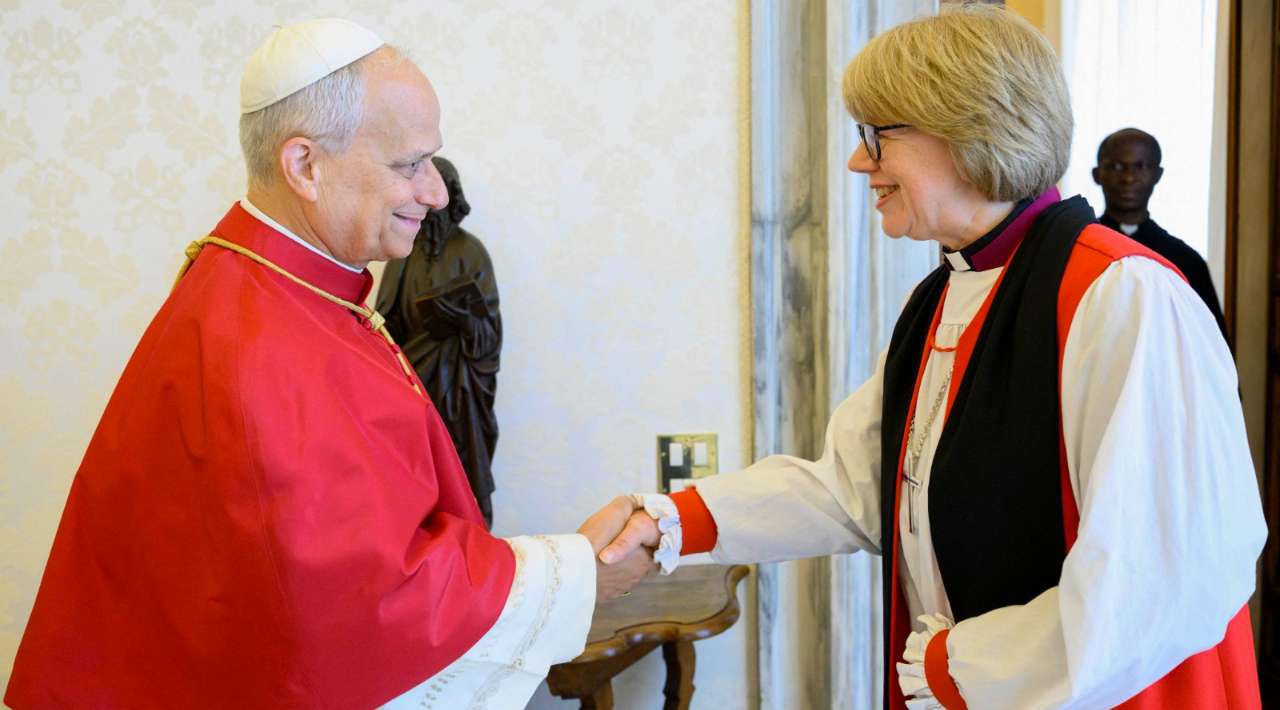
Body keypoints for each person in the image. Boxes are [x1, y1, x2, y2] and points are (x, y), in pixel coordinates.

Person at [601, 6, 1265, 709]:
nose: (859, 161)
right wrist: (669, 522)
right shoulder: (943, 293)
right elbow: (856, 484)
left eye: (877, 136)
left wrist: (962, 666)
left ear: (968, 131)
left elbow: (1171, 568)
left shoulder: (1123, 295)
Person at [5, 18, 653, 709]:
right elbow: (363, 611)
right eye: (409, 165)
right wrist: (577, 573)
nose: (435, 193)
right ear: (305, 167)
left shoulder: (280, 286)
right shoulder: (259, 343)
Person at [377, 155, 501, 528]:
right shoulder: (402, 253)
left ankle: (474, 545)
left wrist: (463, 320)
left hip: (462, 390)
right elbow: (383, 325)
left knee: (464, 470)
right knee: (414, 472)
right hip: (413, 383)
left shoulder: (471, 252)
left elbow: (489, 335)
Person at [1094, 127, 1228, 339]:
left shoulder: (1186, 261)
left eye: (1140, 166)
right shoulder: (1080, 250)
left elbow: (1211, 345)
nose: (1128, 178)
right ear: (1097, 174)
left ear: (1157, 175)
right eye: (1116, 166)